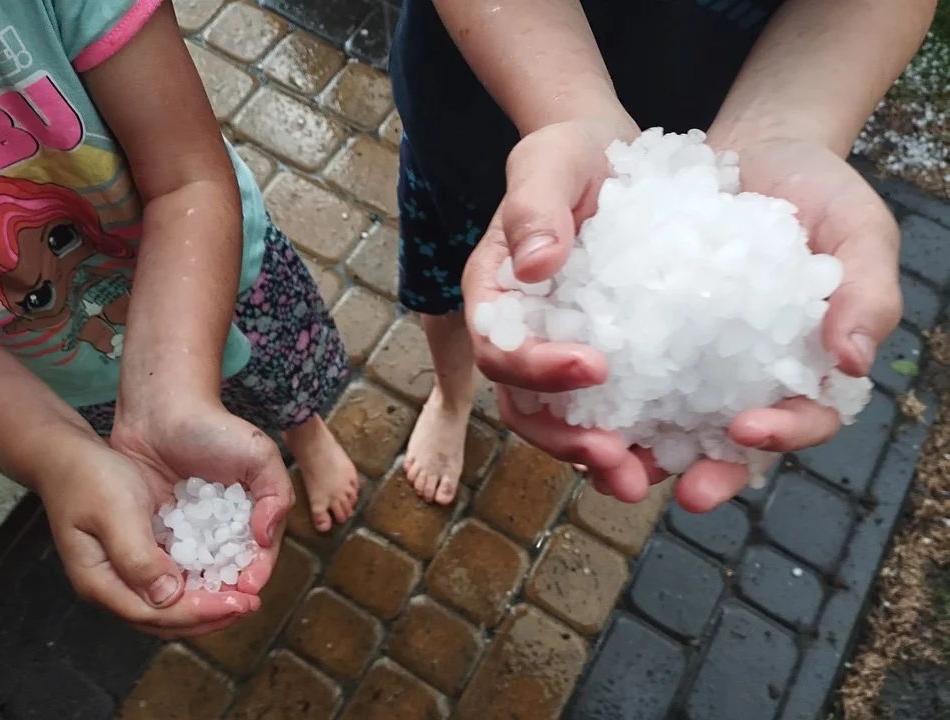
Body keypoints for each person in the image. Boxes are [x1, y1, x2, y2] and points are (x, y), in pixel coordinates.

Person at [390, 0, 934, 509]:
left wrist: (785, 126)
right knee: (449, 285)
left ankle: (523, 395)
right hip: (482, 89)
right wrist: (565, 104)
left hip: (717, 101)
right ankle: (451, 395)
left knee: (517, 307)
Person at [0, 0, 359, 638]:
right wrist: (56, 455)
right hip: (68, 375)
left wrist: (170, 395)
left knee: (280, 377)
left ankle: (307, 434)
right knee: (183, 437)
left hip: (215, 270)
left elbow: (187, 176)